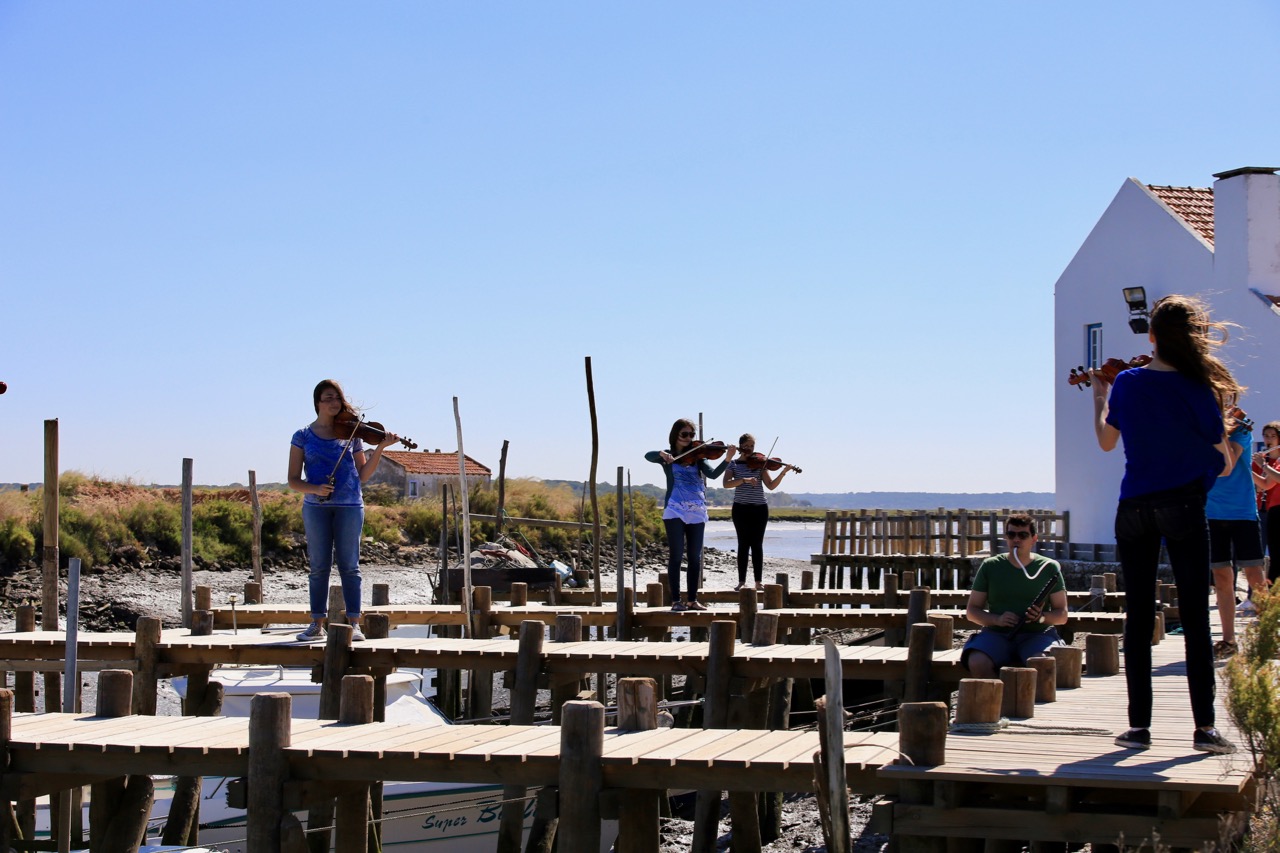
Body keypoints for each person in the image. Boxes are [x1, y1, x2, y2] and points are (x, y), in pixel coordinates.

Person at [1090, 294, 1239, 754]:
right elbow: (1226, 466)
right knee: (1195, 618)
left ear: (1151, 336)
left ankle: (1138, 727)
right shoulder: (1198, 389)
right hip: (1182, 506)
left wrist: (1099, 396)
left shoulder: (1129, 384)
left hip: (1133, 506)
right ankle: (1204, 729)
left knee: (1138, 616)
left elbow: (1106, 443)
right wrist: (1226, 427)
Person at [288, 379, 398, 643]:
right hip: (317, 507)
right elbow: (293, 480)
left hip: (350, 505)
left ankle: (354, 623)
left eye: (337, 398)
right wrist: (314, 488)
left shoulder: (351, 434)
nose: (334, 403)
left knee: (350, 566)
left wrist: (380, 448)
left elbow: (362, 475)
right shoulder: (302, 436)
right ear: (317, 403)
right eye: (328, 398)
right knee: (318, 567)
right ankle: (316, 624)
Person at [961, 514, 1067, 679]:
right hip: (997, 634)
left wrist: (1041, 617)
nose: (1016, 540)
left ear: (1034, 539)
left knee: (1041, 663)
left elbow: (1062, 615)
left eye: (1023, 535)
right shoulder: (991, 566)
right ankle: (994, 701)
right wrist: (997, 620)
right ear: (1006, 538)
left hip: (1037, 634)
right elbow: (972, 611)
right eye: (1011, 535)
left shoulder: (1048, 567)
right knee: (977, 661)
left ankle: (1034, 704)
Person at [645, 420, 734, 611]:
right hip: (675, 508)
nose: (689, 439)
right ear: (675, 435)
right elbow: (647, 456)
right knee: (676, 555)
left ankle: (692, 600)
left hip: (696, 509)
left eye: (691, 435)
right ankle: (676, 600)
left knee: (695, 557)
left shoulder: (699, 458)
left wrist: (727, 459)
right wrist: (662, 454)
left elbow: (712, 475)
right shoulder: (667, 457)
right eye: (685, 434)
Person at [1206, 418, 1268, 659]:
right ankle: (1229, 639)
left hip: (1242, 512)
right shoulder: (1199, 428)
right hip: (1211, 511)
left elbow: (1226, 466)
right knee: (1222, 577)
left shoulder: (1240, 430)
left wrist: (1219, 431)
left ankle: (1268, 632)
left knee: (1255, 575)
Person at [722, 434, 795, 591]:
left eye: (752, 446)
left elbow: (771, 485)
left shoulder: (760, 464)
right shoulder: (733, 464)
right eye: (747, 446)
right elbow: (726, 484)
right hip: (740, 508)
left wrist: (783, 472)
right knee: (743, 544)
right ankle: (741, 581)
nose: (750, 449)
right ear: (740, 445)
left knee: (757, 544)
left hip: (759, 508)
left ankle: (758, 582)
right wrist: (744, 480)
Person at [1252, 421, 1280, 585]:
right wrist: (1247, 468)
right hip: (1273, 509)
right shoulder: (1271, 460)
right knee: (1274, 555)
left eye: (1273, 436)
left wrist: (1263, 466)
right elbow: (1266, 485)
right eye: (1266, 436)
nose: (1269, 439)